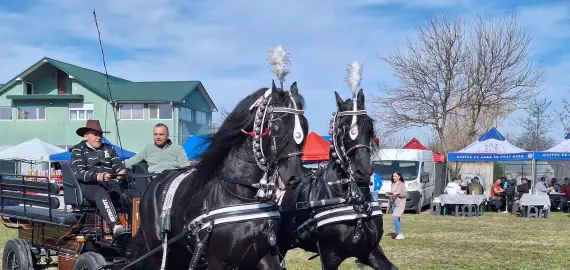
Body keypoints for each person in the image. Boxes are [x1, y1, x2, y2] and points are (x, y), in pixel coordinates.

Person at [69, 120, 127, 237]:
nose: (98, 137)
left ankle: (137, 227)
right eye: (95, 134)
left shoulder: (109, 149)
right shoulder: (78, 149)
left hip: (110, 183)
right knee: (100, 192)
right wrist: (99, 176)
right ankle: (115, 226)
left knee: (130, 194)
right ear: (86, 136)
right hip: (88, 186)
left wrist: (121, 173)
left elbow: (118, 167)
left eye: (100, 135)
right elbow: (79, 173)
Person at [124, 123, 190, 174]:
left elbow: (185, 165)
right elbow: (130, 162)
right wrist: (117, 166)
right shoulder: (147, 148)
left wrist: (168, 165)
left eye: (161, 134)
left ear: (167, 136)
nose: (158, 137)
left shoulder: (178, 149)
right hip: (155, 182)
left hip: (173, 179)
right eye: (155, 134)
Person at [389, 171, 407, 240]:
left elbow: (405, 194)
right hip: (393, 203)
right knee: (397, 219)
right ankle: (398, 233)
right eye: (393, 176)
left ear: (399, 177)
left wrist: (398, 193)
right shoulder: (392, 184)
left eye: (395, 176)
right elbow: (392, 193)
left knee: (395, 217)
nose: (394, 177)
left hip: (400, 203)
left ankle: (400, 234)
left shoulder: (402, 184)